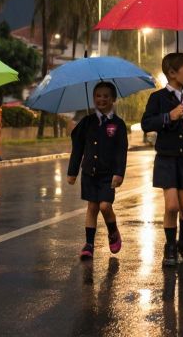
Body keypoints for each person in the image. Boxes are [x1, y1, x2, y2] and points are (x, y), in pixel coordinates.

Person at [142, 52, 183, 267]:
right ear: (171, 73)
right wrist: (169, 116)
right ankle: (169, 246)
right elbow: (146, 123)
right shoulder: (157, 98)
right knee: (172, 206)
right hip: (167, 158)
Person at [66, 80, 129, 260]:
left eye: (106, 96)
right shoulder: (87, 122)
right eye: (98, 96)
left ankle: (113, 231)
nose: (101, 99)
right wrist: (72, 172)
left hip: (108, 175)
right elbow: (77, 147)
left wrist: (119, 173)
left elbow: (121, 151)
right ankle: (89, 244)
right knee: (92, 207)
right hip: (89, 173)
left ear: (113, 99)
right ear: (93, 98)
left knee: (105, 206)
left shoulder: (118, 124)